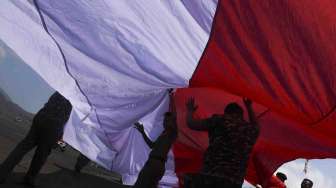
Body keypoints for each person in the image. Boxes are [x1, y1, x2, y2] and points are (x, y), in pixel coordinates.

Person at [0, 92, 72, 187]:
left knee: (22, 148)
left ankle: (3, 172)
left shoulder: (61, 89)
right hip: (54, 126)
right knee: (41, 155)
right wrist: (60, 139)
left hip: (41, 118)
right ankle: (29, 178)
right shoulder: (78, 99)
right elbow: (69, 122)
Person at [185, 97, 260, 188]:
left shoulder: (219, 120)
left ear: (226, 113)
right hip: (234, 182)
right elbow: (256, 125)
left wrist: (190, 111)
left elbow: (191, 124)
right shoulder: (250, 130)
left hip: (211, 176)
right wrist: (249, 107)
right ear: (241, 115)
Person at [133, 112, 178, 188]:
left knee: (143, 183)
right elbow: (152, 145)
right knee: (144, 183)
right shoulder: (164, 133)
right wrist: (142, 132)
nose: (164, 122)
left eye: (167, 121)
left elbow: (174, 127)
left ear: (173, 122)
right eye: (164, 120)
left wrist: (173, 118)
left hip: (156, 164)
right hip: (153, 162)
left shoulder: (172, 134)